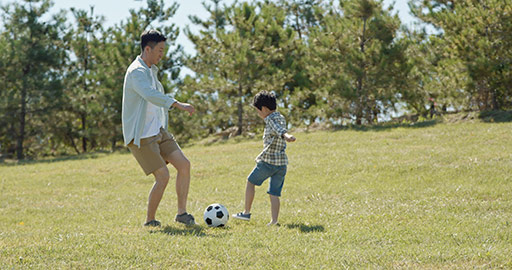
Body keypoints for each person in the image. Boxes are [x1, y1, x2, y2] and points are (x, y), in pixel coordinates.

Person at [122, 29, 196, 227]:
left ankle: (182, 213)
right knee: (163, 176)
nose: (162, 54)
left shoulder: (151, 70)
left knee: (184, 165)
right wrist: (178, 104)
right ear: (148, 48)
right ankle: (150, 221)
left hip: (158, 131)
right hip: (142, 137)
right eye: (160, 50)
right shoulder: (137, 72)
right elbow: (150, 95)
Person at [232, 91, 296, 226]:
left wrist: (286, 136)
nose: (258, 114)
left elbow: (279, 130)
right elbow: (279, 127)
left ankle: (246, 212)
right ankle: (274, 221)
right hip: (282, 164)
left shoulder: (270, 120)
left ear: (264, 109)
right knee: (274, 193)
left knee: (250, 182)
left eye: (257, 111)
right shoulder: (281, 117)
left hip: (268, 163)